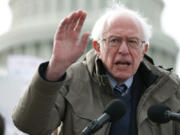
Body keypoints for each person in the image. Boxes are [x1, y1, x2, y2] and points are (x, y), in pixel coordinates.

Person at [12, 4, 180, 135]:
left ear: (144, 49)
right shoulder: (72, 80)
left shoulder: (170, 88)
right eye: (114, 40)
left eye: (132, 42)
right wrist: (54, 68)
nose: (123, 50)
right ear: (97, 47)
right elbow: (30, 126)